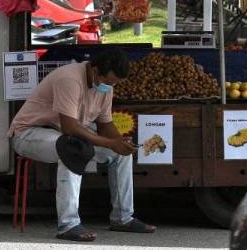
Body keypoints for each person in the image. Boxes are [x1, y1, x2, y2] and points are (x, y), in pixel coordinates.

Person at [9, 49, 156, 241]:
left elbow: (105, 125)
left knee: (120, 154)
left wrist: (119, 143)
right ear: (95, 71)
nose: (110, 86)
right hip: (28, 134)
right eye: (109, 82)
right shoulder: (70, 79)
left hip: (65, 134)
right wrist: (111, 142)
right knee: (72, 149)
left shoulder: (106, 87)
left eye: (114, 84)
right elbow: (70, 128)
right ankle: (68, 225)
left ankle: (122, 218)